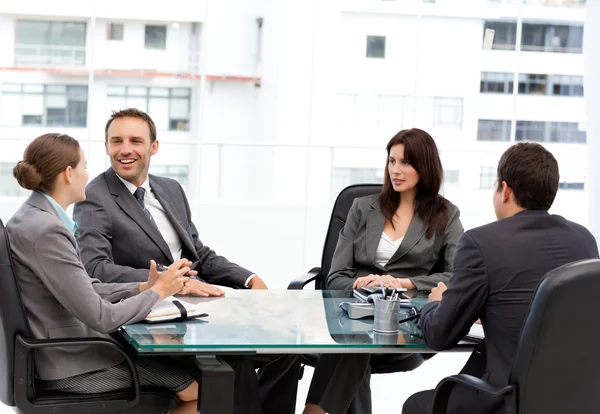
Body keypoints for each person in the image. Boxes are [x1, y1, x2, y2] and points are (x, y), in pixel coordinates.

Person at [72, 108, 301, 414]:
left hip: (200, 308)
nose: (125, 150)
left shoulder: (170, 188)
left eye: (135, 141)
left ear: (153, 146)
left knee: (286, 349)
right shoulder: (95, 196)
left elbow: (199, 254)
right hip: (153, 319)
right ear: (106, 147)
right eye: (117, 141)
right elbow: (95, 269)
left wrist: (249, 279)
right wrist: (172, 280)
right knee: (237, 359)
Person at [7, 133, 199, 414]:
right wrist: (159, 293)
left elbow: (86, 287)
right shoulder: (47, 230)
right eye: (84, 166)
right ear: (69, 174)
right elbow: (101, 317)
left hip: (58, 358)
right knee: (201, 390)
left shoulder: (32, 217)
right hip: (73, 367)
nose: (88, 174)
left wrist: (143, 289)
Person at [402, 142, 600, 414]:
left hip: (508, 399)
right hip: (575, 399)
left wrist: (437, 302)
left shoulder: (480, 243)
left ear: (505, 190)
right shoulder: (584, 240)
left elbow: (438, 335)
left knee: (416, 405)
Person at [304, 128, 464, 414]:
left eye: (405, 162)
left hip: (407, 322)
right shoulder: (362, 208)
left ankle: (313, 411)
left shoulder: (445, 214)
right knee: (357, 344)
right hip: (355, 312)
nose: (396, 170)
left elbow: (458, 275)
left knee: (351, 347)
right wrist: (364, 285)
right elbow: (336, 275)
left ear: (424, 167)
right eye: (392, 161)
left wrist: (403, 283)